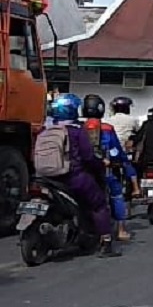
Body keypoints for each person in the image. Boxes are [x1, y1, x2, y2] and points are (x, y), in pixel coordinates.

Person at [39, 94, 119, 257]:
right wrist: (100, 165)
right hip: (73, 177)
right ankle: (106, 242)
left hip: (45, 178)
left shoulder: (46, 129)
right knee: (98, 204)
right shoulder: (76, 131)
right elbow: (88, 156)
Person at [82, 94, 141, 241]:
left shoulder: (79, 127)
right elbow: (117, 151)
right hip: (106, 170)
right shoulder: (107, 128)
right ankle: (121, 230)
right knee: (116, 194)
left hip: (83, 171)